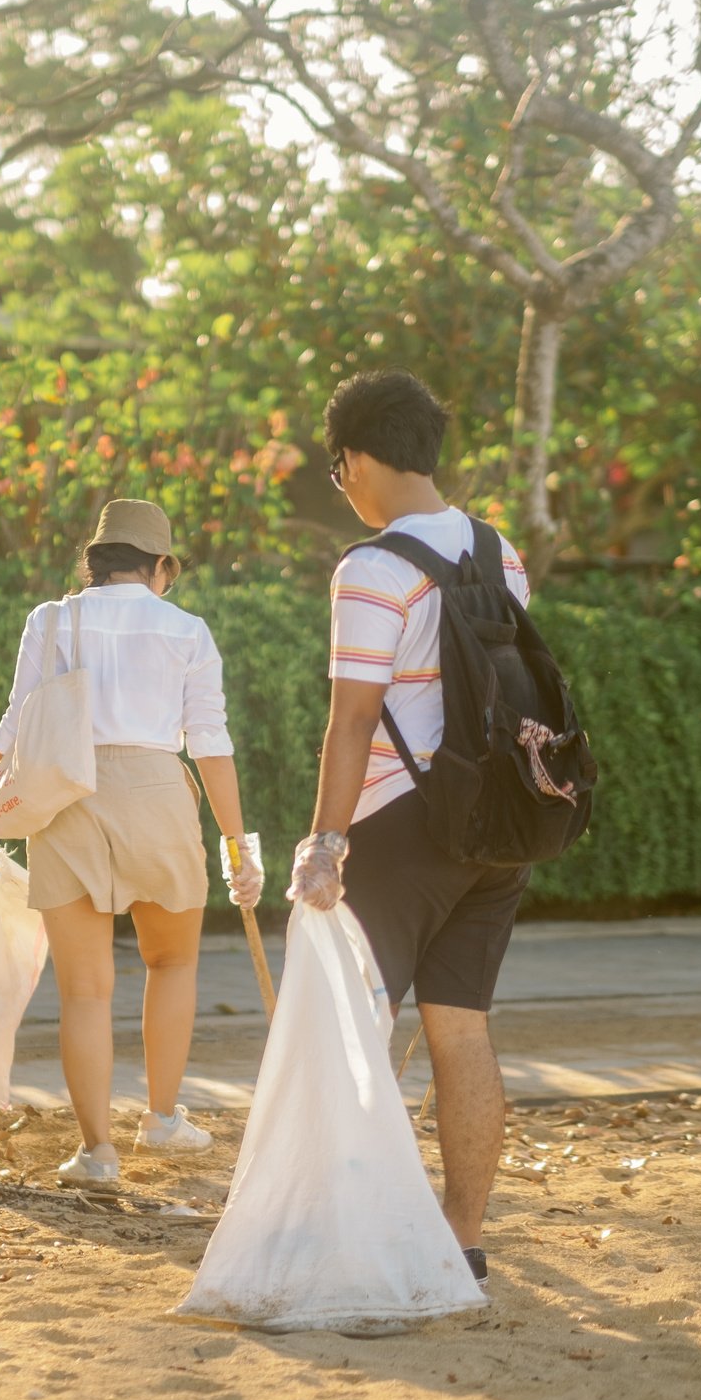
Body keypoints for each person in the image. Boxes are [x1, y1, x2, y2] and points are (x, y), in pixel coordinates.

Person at [287, 370, 530, 1286]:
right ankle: (459, 1240)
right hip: (496, 828)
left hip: (399, 832)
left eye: (335, 465)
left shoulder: (373, 567)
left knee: (358, 1033)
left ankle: (366, 1236)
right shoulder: (501, 551)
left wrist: (325, 843)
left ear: (353, 458)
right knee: (461, 1033)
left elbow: (353, 720)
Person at [0, 499, 262, 1191]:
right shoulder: (187, 630)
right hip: (157, 794)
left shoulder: (52, 619)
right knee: (172, 962)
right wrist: (241, 847)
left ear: (94, 562)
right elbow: (210, 742)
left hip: (68, 797)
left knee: (86, 992)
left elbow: (16, 723)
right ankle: (161, 1119)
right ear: (158, 567)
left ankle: (98, 1154)